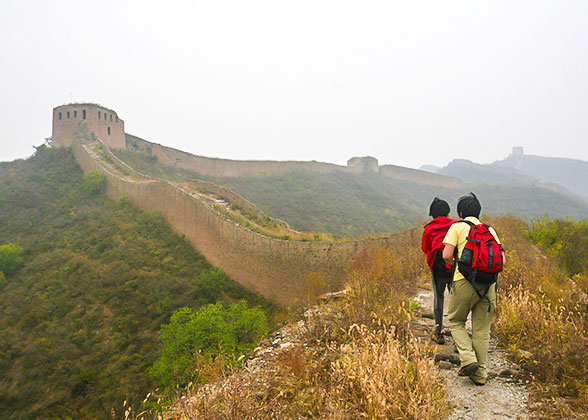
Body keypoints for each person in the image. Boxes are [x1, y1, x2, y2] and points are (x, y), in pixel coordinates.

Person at [442, 193, 504, 386]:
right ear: (478, 212)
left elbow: (446, 255)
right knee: (482, 330)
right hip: (489, 285)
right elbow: (503, 260)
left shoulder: (457, 227)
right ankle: (480, 375)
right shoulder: (489, 230)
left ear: (460, 212)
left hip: (464, 282)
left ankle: (468, 359)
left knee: (456, 320)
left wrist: (458, 267)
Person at [421, 198, 456, 345]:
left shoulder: (429, 228)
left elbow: (425, 248)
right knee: (456, 299)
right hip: (454, 265)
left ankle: (438, 331)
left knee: (439, 297)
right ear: (447, 212)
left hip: (438, 267)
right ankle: (457, 338)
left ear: (433, 213)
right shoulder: (455, 225)